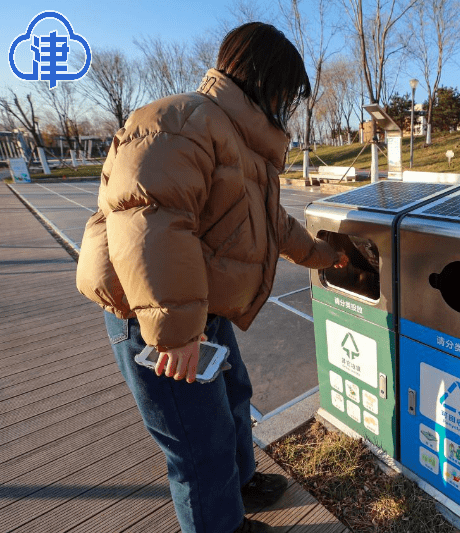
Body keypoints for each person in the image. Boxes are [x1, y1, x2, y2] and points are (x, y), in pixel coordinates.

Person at [76, 22, 347, 533]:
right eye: (286, 92)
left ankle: (240, 483)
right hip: (154, 319)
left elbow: (272, 224)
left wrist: (321, 255)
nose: (286, 105)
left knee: (234, 401)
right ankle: (221, 525)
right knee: (198, 445)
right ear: (265, 81)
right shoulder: (179, 122)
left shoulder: (237, 139)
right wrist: (176, 333)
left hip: (199, 309)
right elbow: (150, 219)